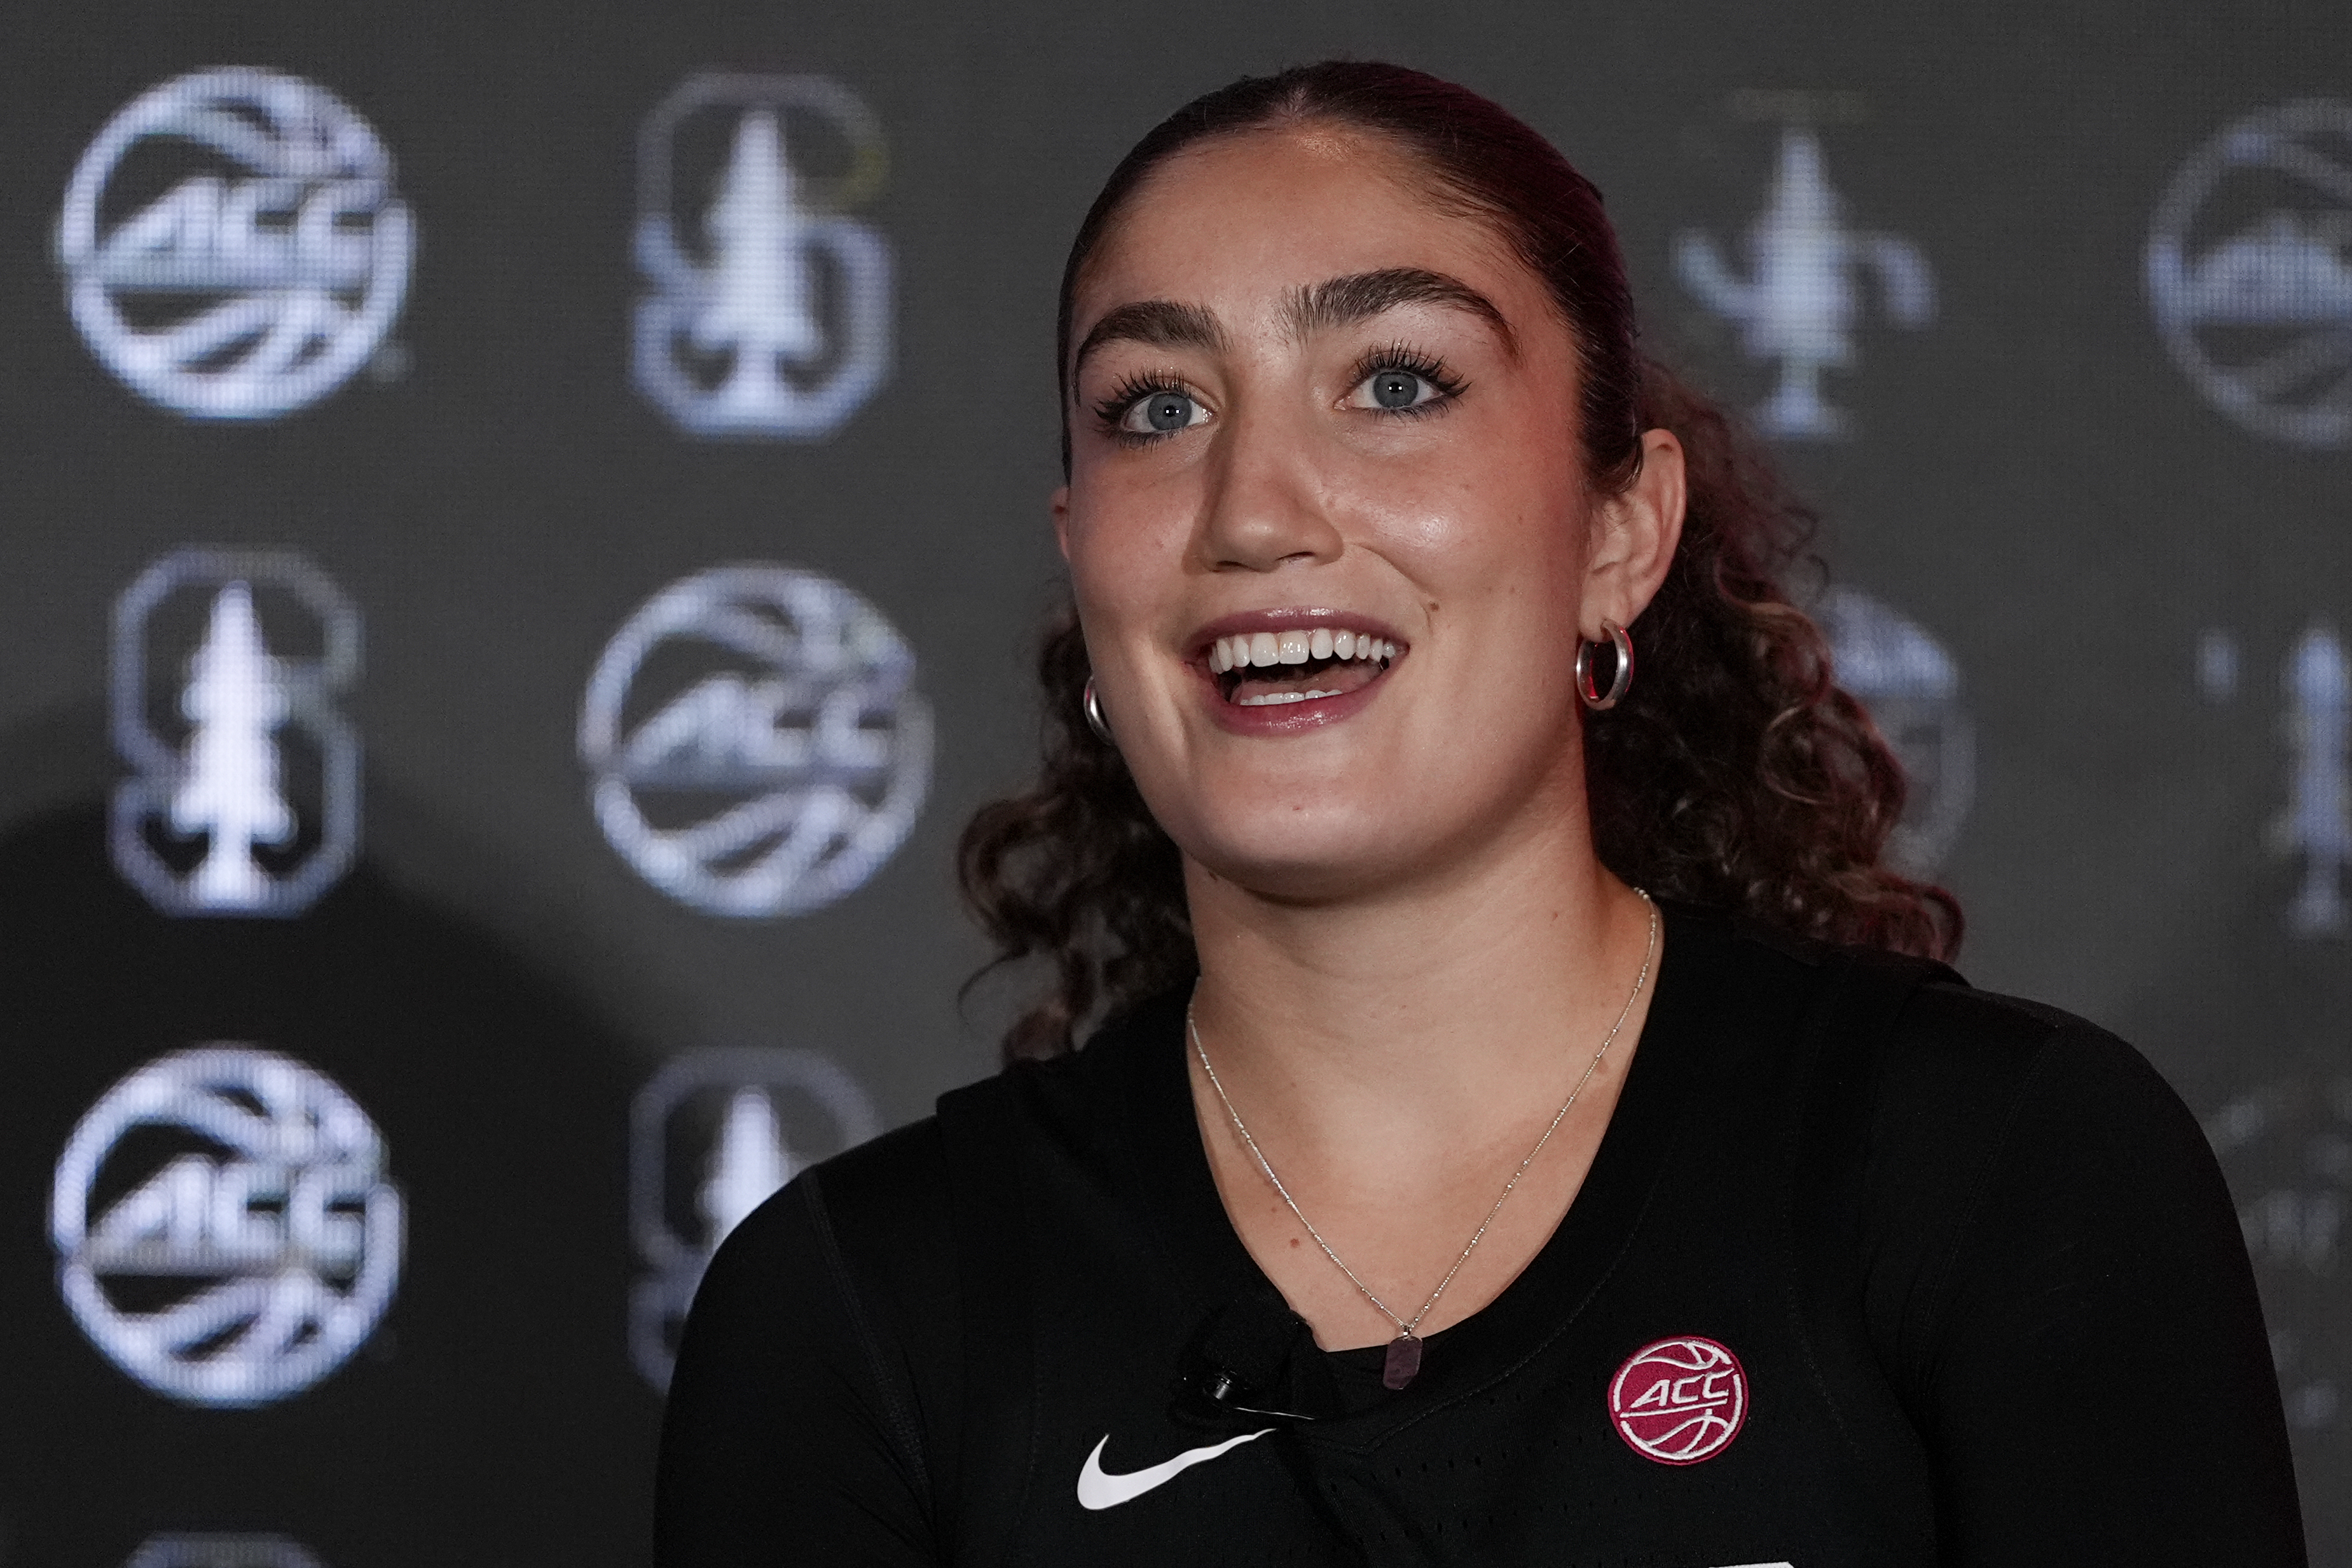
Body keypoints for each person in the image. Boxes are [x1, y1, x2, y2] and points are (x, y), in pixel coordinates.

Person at [656, 62, 2306, 1567]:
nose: (1252, 509)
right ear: (1079, 546)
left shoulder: (1996, 1172)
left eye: (1392, 380)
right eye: (1157, 406)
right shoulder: (863, 1310)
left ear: (1619, 529)